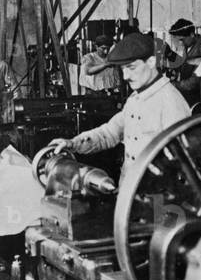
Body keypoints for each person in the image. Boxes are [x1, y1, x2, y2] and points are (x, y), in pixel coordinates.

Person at [49, 32, 190, 177]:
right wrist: (73, 144)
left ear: (151, 62)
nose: (126, 76)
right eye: (123, 69)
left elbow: (183, 162)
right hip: (128, 190)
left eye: (132, 67)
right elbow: (108, 133)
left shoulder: (171, 101)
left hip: (156, 193)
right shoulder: (135, 99)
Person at [170, 19, 201, 107]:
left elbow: (195, 82)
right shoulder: (189, 45)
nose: (180, 43)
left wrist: (175, 85)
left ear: (192, 34)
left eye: (182, 40)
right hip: (191, 99)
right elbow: (187, 64)